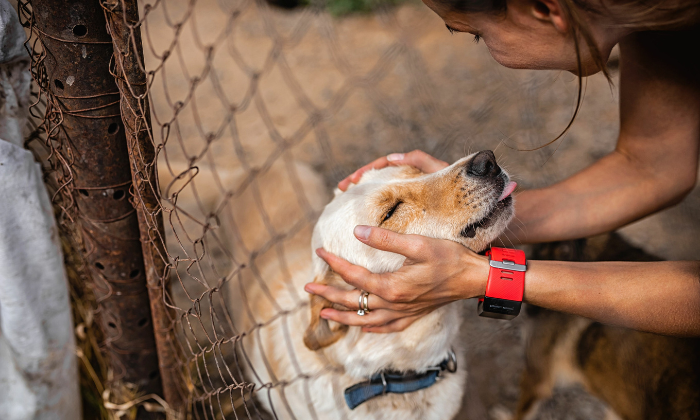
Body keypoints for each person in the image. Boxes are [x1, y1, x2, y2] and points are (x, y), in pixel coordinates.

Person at [304, 0, 700, 336]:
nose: (484, 45)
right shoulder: (658, 21)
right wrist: (481, 211)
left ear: (546, 9)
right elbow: (652, 166)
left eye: (476, 33)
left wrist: (488, 277)